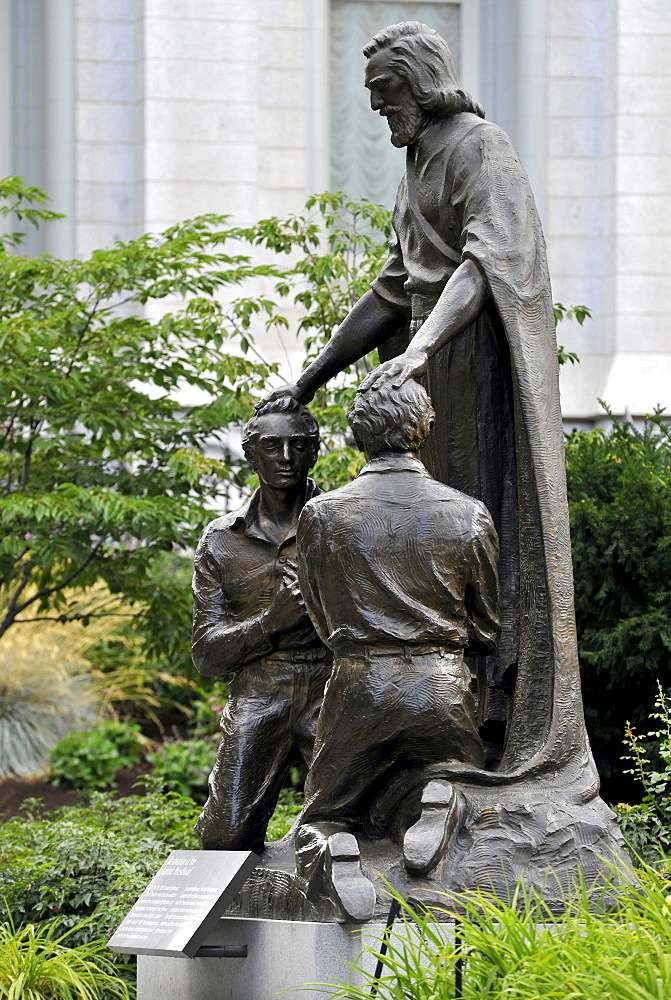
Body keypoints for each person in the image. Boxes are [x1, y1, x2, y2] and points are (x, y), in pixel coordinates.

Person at [261, 20, 593, 797]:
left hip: (471, 368)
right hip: (426, 370)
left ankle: (481, 721)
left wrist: (423, 347)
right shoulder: (415, 165)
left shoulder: (481, 146)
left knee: (466, 531)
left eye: (385, 96)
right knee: (417, 531)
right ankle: (424, 734)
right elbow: (391, 289)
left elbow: (489, 263)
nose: (379, 114)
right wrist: (310, 379)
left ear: (419, 82)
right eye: (373, 102)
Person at [295, 380, 500, 921]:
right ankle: (443, 798)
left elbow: (319, 610)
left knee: (323, 811)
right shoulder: (468, 514)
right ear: (422, 428)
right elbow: (488, 626)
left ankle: (334, 848)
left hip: (361, 677)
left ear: (358, 434)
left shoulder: (322, 515)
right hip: (441, 682)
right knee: (455, 773)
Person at [192, 398, 331, 854]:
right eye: (272, 446)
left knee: (356, 828)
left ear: (315, 451)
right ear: (251, 454)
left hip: (334, 685)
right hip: (259, 688)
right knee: (224, 837)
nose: (286, 457)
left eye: (298, 445)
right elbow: (207, 655)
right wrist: (271, 622)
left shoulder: (342, 525)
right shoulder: (222, 541)